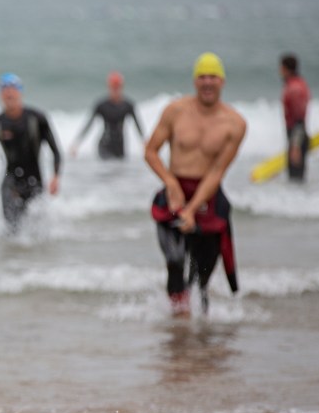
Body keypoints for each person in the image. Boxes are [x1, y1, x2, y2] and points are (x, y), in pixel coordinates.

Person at [144, 53, 246, 316]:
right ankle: (178, 323)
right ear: (194, 81)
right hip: (174, 193)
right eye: (202, 76)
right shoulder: (175, 111)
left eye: (213, 76)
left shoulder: (235, 124)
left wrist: (192, 209)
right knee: (175, 261)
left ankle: (199, 334)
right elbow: (150, 151)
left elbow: (216, 172)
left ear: (222, 81)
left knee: (200, 278)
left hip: (208, 198)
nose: (207, 82)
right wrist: (170, 182)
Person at [0, 73, 62, 230]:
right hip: (11, 184)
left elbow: (56, 151)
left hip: (35, 183)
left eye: (13, 89)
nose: (9, 93)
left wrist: (56, 176)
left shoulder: (37, 118)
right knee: (13, 231)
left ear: (20, 92)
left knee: (38, 233)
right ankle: (12, 255)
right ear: (1, 94)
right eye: (5, 89)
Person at [70, 71, 145, 159]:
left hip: (120, 146)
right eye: (113, 87)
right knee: (107, 169)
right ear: (109, 87)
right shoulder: (102, 105)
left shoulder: (128, 105)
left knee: (121, 170)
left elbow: (137, 125)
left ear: (122, 87)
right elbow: (89, 124)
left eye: (117, 87)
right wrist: (77, 143)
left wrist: (144, 143)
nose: (115, 90)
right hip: (104, 145)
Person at [280, 53, 311, 182]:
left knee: (296, 178)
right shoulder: (298, 83)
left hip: (297, 136)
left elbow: (299, 118)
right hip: (297, 135)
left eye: (281, 68)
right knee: (297, 178)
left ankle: (297, 202)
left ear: (286, 69)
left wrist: (295, 145)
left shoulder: (295, 88)